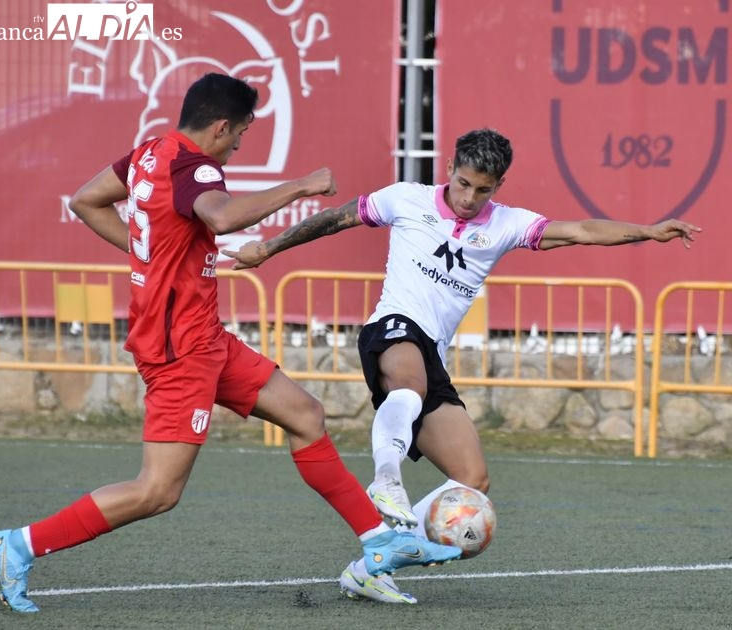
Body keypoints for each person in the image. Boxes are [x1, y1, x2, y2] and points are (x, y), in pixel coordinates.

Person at [0, 73, 462, 614]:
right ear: (221, 126)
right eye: (240, 136)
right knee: (157, 491)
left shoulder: (149, 153)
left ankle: (379, 543)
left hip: (204, 339)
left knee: (305, 414)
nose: (238, 147)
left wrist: (149, 255)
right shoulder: (196, 165)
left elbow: (87, 201)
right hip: (178, 349)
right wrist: (303, 185)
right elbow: (223, 215)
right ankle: (18, 545)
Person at [223, 127, 702, 604]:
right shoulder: (405, 199)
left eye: (483, 189)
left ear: (499, 186)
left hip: (434, 354)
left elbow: (580, 231)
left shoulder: (506, 224)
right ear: (449, 168)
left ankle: (374, 565)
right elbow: (333, 219)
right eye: (464, 183)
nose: (470, 197)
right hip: (393, 327)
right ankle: (386, 480)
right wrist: (266, 249)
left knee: (473, 483)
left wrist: (648, 230)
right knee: (406, 382)